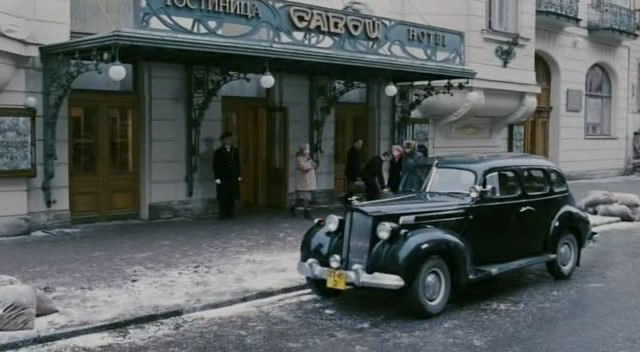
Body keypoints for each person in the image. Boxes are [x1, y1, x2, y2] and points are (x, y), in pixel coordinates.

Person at [213, 132, 241, 220]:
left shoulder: (235, 150)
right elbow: (215, 165)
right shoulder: (218, 152)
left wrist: (239, 175)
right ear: (223, 141)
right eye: (227, 139)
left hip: (232, 176)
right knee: (223, 195)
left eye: (230, 139)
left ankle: (230, 212)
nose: (229, 141)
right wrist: (217, 177)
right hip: (223, 176)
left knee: (231, 194)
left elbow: (237, 164)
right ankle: (223, 213)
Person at [290, 144, 317, 220]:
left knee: (300, 200)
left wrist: (310, 162)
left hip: (309, 182)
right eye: (306, 150)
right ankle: (307, 213)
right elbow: (304, 167)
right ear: (302, 151)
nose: (307, 152)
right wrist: (310, 164)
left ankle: (292, 208)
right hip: (302, 183)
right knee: (306, 198)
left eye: (308, 150)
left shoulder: (308, 158)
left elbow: (315, 165)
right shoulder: (299, 158)